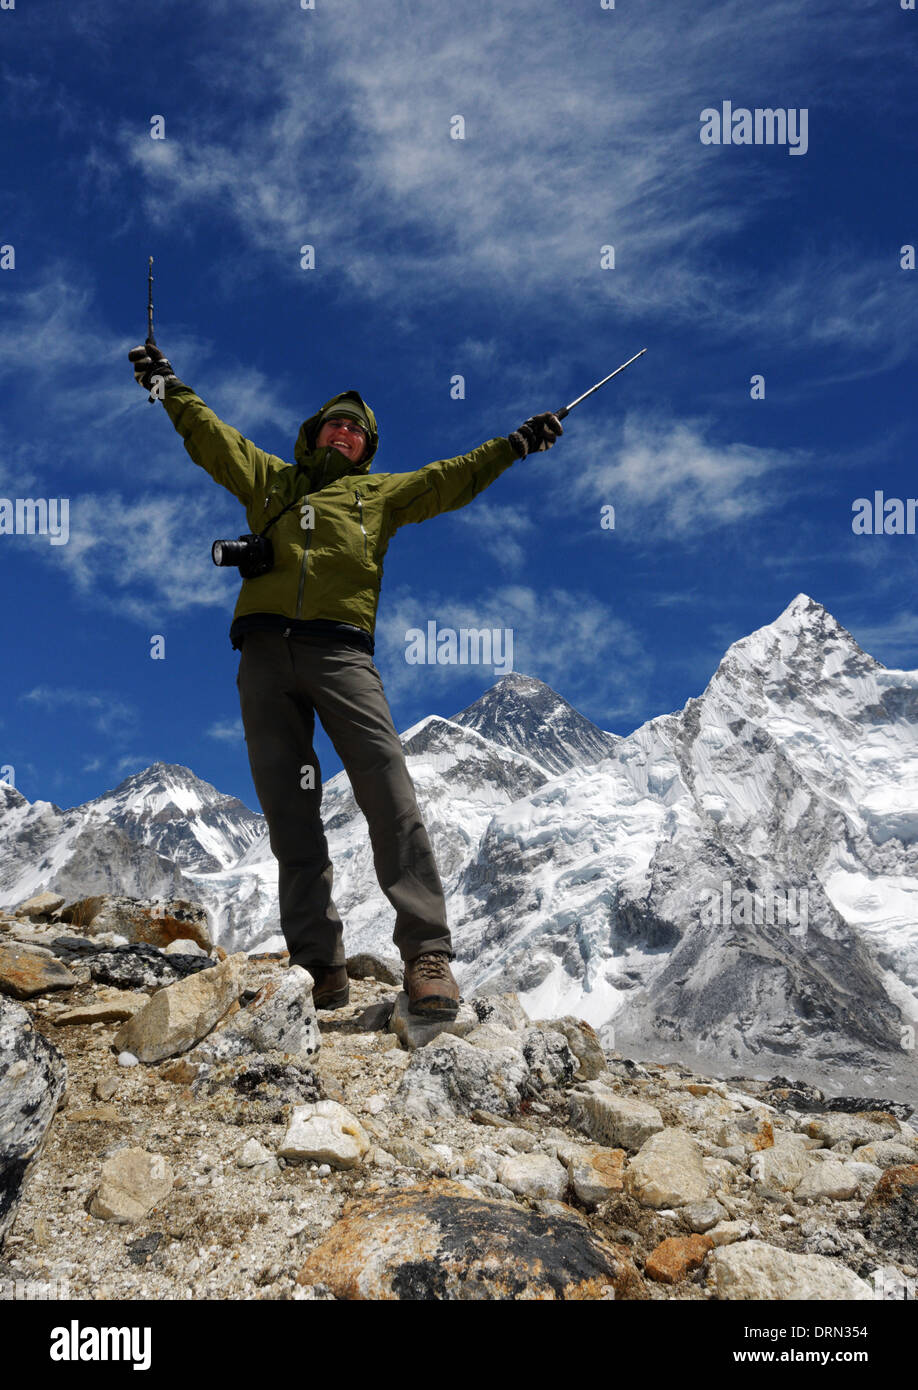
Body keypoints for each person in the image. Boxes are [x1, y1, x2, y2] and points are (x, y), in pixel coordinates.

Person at [128, 339, 562, 1019]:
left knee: (389, 791)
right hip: (264, 656)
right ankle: (317, 968)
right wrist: (167, 386)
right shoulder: (270, 479)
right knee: (289, 815)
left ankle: (426, 956)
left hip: (343, 656)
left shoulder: (381, 496)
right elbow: (208, 435)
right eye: (335, 422)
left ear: (368, 449)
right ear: (314, 433)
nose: (345, 431)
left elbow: (452, 476)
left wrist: (515, 445)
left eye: (357, 429)